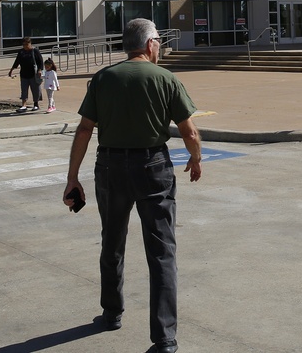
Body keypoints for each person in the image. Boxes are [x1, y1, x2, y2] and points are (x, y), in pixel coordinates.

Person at [63, 18, 203, 353]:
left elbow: (84, 130)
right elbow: (189, 131)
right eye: (159, 40)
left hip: (110, 167)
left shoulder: (103, 78)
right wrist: (195, 159)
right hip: (153, 167)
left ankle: (111, 312)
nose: (160, 46)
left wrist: (72, 178)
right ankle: (164, 339)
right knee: (161, 252)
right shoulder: (165, 79)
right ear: (150, 43)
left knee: (111, 241)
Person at [7, 37, 43, 112]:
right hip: (24, 74)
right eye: (24, 44)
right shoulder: (21, 52)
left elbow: (40, 61)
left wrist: (39, 70)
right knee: (24, 90)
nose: (25, 46)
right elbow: (17, 61)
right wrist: (11, 70)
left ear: (30, 43)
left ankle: (36, 104)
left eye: (27, 44)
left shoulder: (35, 51)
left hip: (33, 74)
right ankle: (24, 105)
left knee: (35, 89)